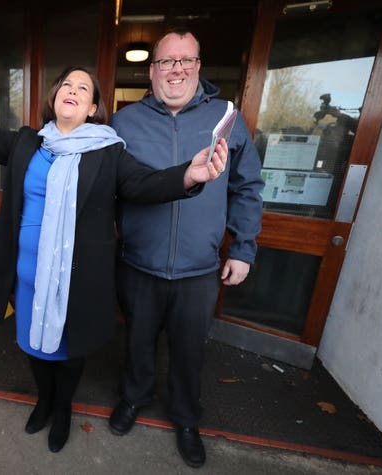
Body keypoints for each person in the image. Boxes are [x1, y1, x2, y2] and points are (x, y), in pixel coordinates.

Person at [0, 33, 228, 454]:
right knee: (31, 343)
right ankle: (44, 400)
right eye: (67, 84)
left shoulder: (108, 152)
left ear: (93, 108)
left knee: (69, 350)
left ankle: (62, 407)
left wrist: (188, 175)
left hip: (77, 280)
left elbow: (144, 184)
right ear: (55, 97)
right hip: (27, 275)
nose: (74, 91)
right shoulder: (27, 143)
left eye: (84, 88)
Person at [108, 28, 264, 468]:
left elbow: (248, 186)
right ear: (152, 70)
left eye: (185, 60)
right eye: (166, 61)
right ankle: (134, 399)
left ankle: (186, 418)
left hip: (198, 267)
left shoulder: (226, 118)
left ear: (198, 66)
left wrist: (243, 248)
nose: (176, 69)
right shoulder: (125, 122)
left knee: (190, 349)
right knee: (137, 341)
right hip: (139, 261)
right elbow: (112, 188)